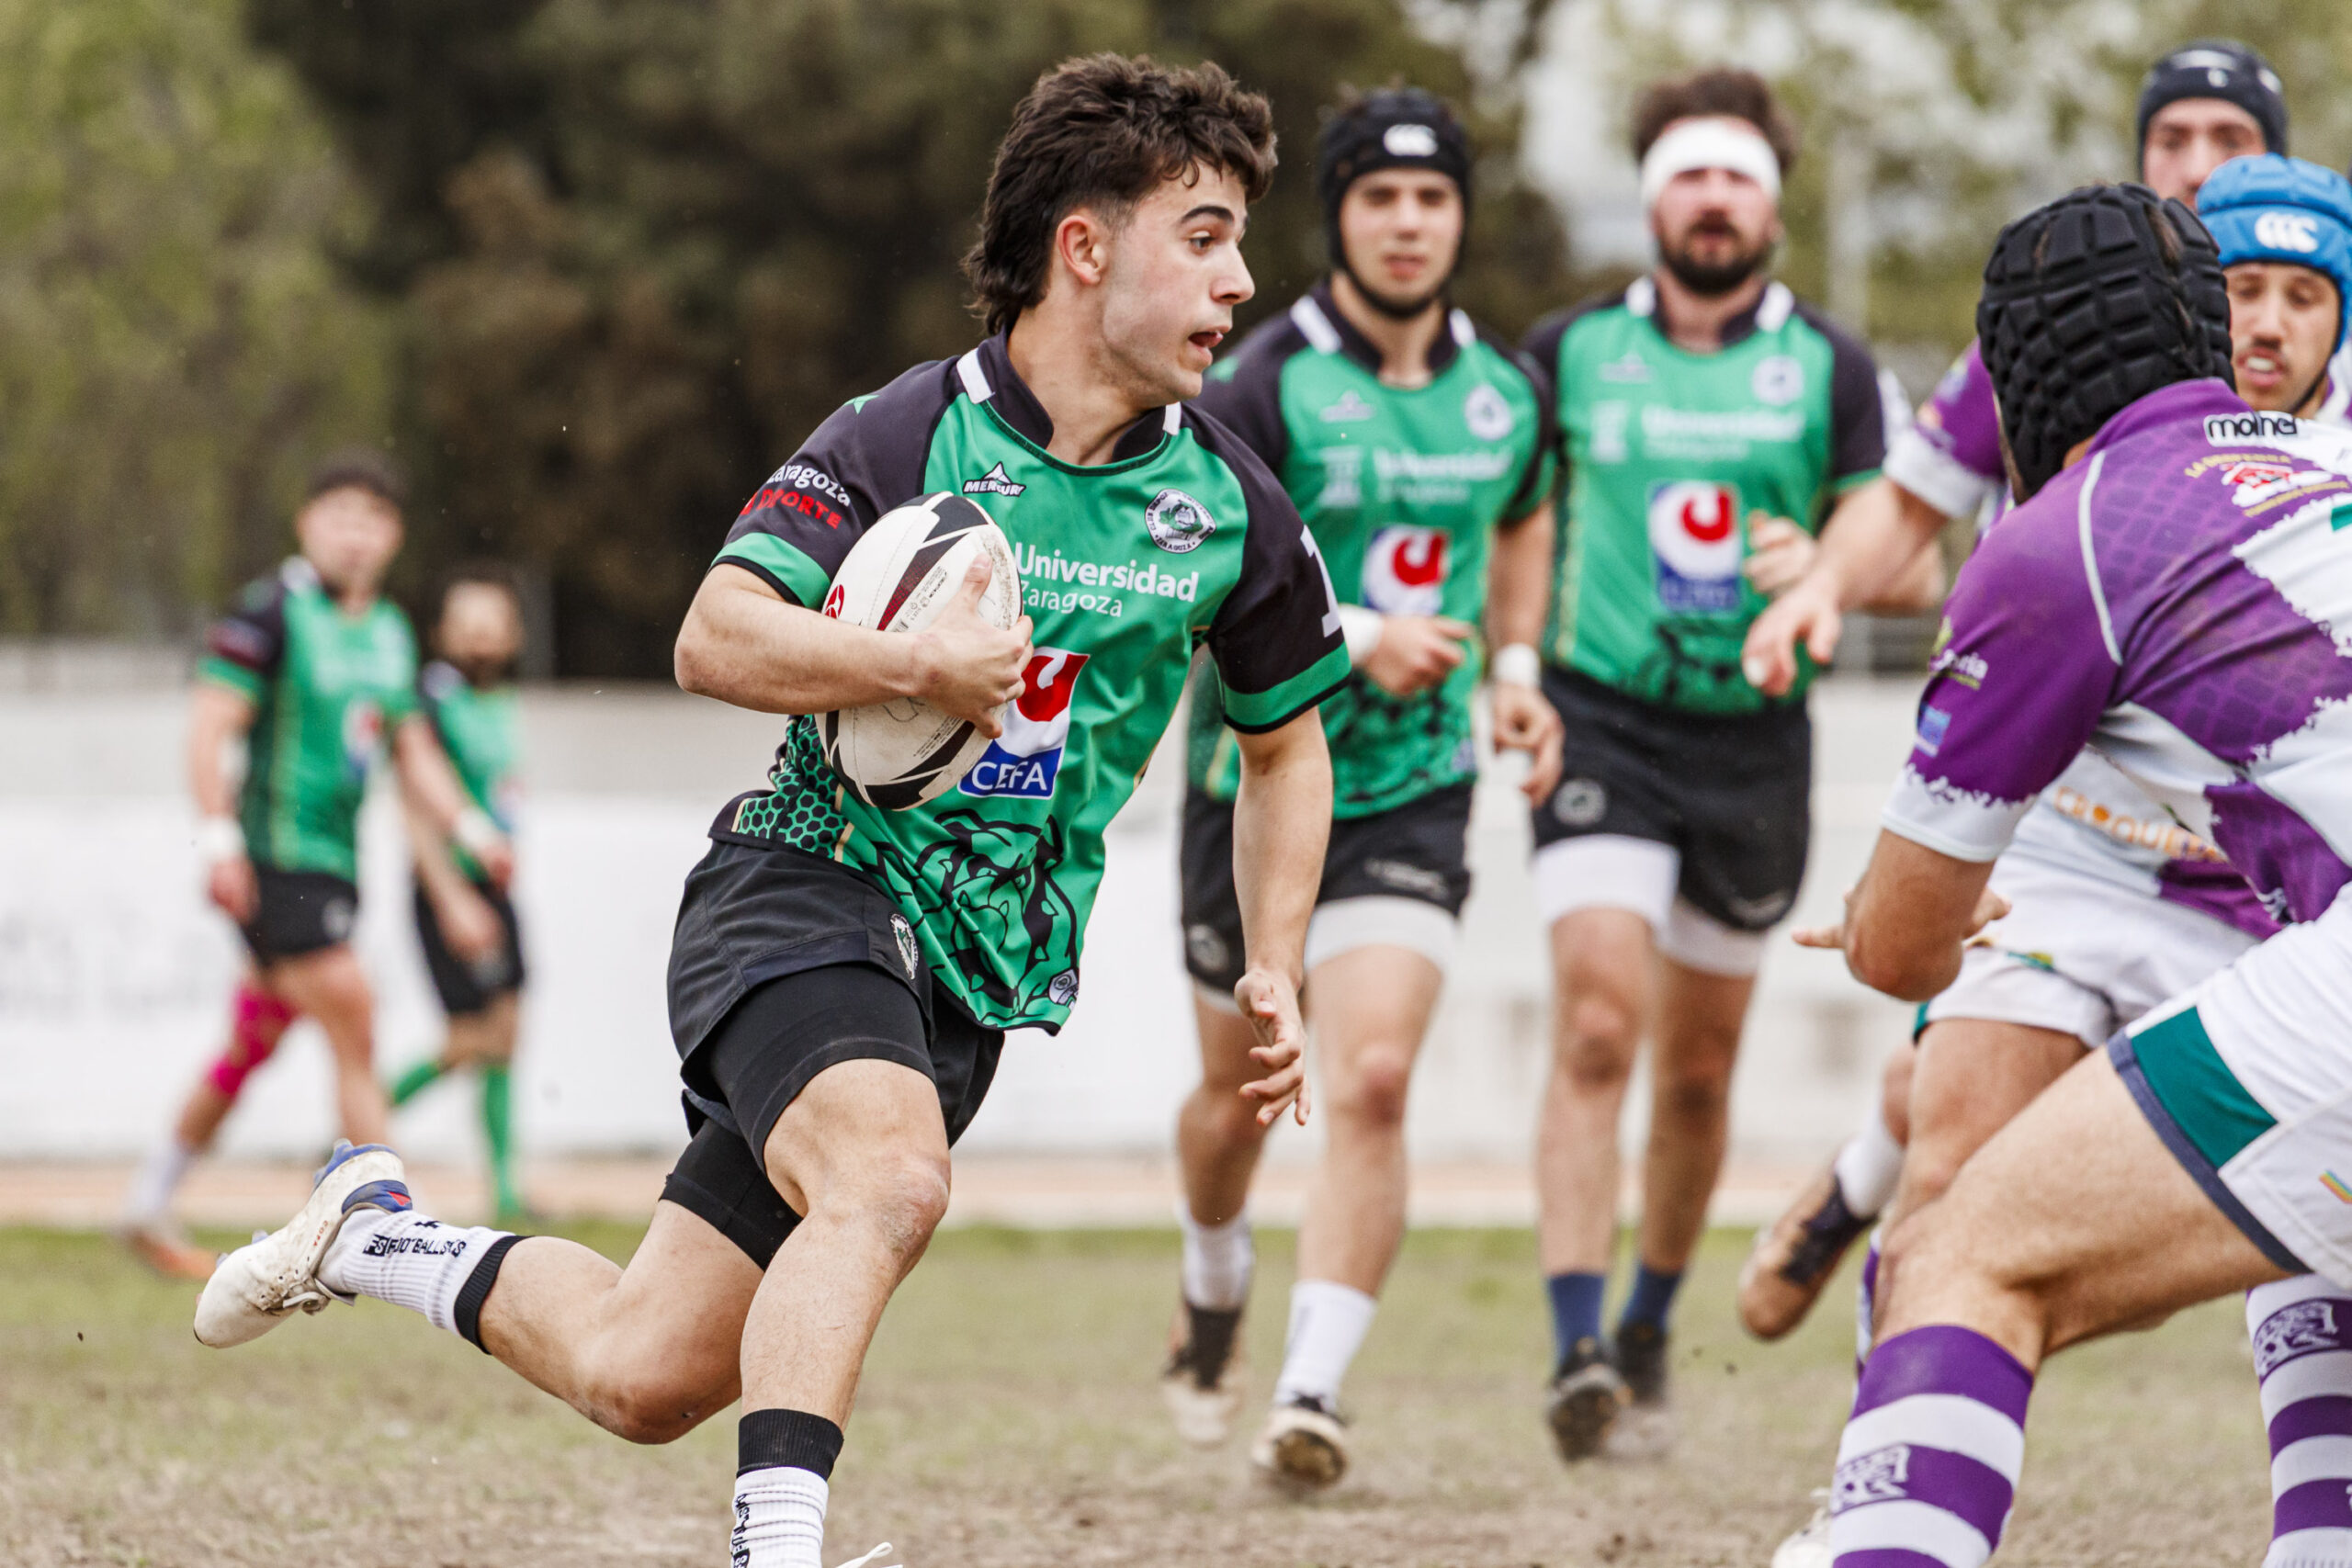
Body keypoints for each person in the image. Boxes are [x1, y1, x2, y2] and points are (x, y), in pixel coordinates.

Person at [194, 54, 1348, 1568]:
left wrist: (1273, 954)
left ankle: (376, 1232)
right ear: (1086, 246)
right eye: (1204, 234)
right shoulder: (900, 435)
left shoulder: (1230, 509)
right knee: (889, 1174)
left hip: (971, 974)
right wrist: (911, 661)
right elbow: (716, 633)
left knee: (643, 1369)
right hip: (801, 888)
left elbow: (1286, 745)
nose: (1241, 277)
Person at [1758, 153, 2352, 1568]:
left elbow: (1904, 951)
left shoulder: (2060, 539)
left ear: (2020, 383)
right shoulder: (2325, 465)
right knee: (2311, 1228)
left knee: (1964, 1253)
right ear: (2211, 329)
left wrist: (1881, 914)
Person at [1738, 37, 2299, 1343]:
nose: (2201, 164)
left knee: (2287, 1239)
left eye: (2233, 140)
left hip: (2265, 886)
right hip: (2068, 847)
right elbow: (1908, 508)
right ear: (2142, 152)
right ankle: (1872, 1502)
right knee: (1959, 1176)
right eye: (2177, 139)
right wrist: (1821, 591)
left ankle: (1862, 1157)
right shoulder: (2071, 318)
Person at [1159, 86, 1562, 1488]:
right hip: (1256, 774)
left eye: (1432, 197)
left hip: (1414, 788)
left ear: (1459, 216)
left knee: (1373, 1075)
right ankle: (1214, 1273)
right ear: (1335, 213)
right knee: (1233, 1095)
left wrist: (1514, 661)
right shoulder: (1257, 378)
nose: (1406, 222)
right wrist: (1355, 637)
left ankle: (1310, 1390)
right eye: (1378, 197)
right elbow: (1201, 555)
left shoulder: (1509, 389)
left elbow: (1523, 515)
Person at [1517, 65, 1917, 1461]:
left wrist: (1834, 563)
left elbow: (1907, 539)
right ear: (1650, 199)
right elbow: (1507, 514)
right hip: (1603, 724)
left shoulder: (1834, 365)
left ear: (1772, 207)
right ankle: (1574, 1344)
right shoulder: (1568, 352)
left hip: (1757, 740)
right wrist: (1508, 665)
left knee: (1694, 1072)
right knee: (1596, 1022)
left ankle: (1645, 1329)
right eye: (1688, 173)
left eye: (1737, 176)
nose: (1711, 197)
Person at [118, 453, 514, 1279]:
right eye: (339, 514)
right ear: (307, 523)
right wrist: (220, 840)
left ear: (394, 535)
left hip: (334, 867)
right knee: (356, 1014)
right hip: (274, 861)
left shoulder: (392, 631)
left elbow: (410, 746)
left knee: (252, 1041)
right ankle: (393, 1231)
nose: (355, 534)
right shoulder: (269, 614)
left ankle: (147, 1201)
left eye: (372, 518)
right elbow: (209, 725)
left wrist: (471, 825)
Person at [387, 566, 534, 1225]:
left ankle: (504, 1190)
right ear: (444, 631)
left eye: (491, 621)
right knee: (472, 1035)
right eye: (467, 622)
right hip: (448, 884)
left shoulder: (499, 700)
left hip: (492, 885)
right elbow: (414, 806)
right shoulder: (433, 699)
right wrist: (450, 896)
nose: (480, 635)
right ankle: (365, 1110)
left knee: (505, 1033)